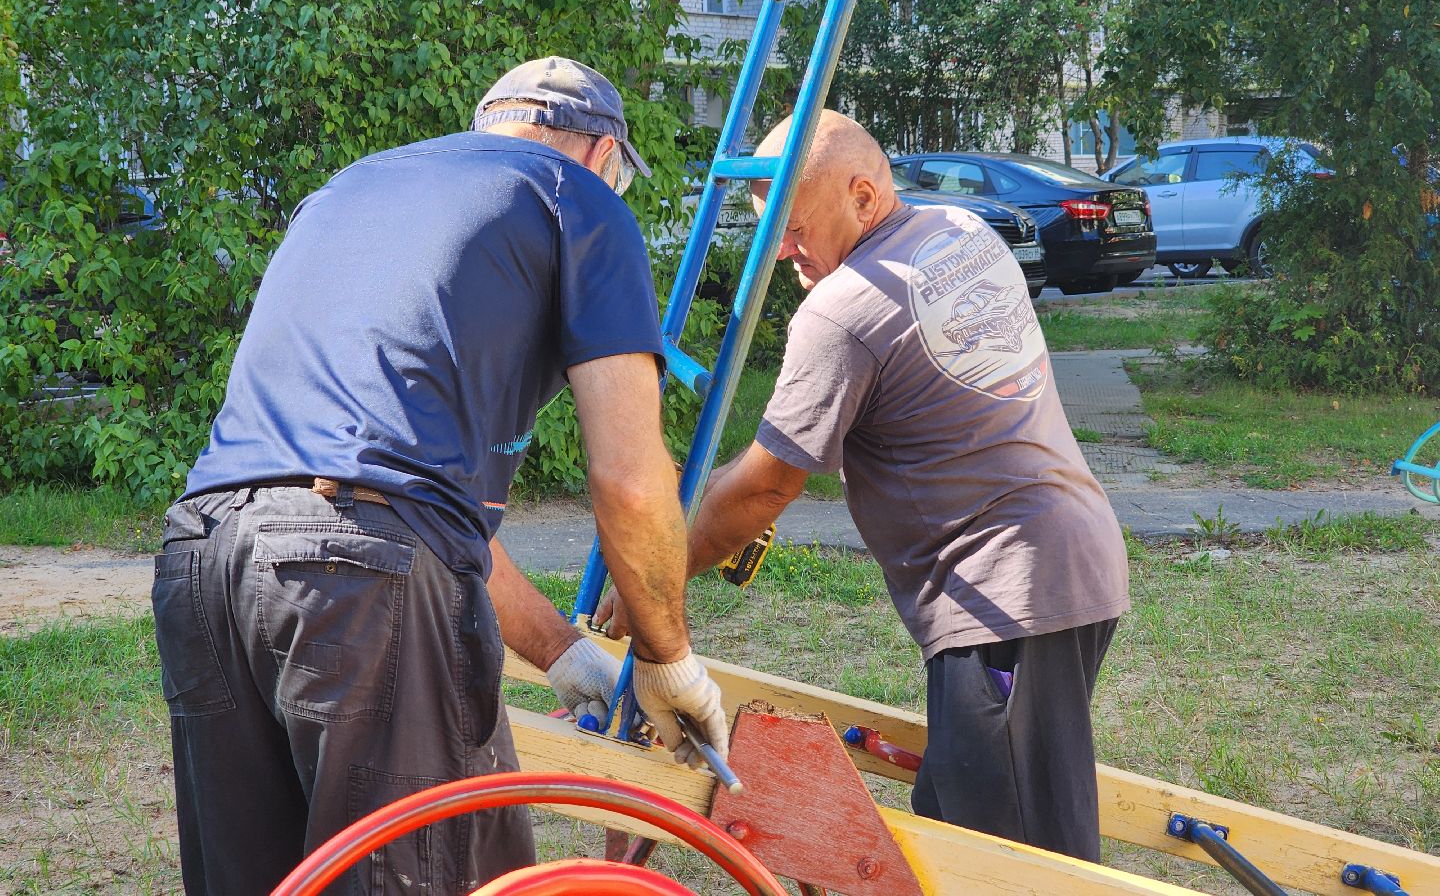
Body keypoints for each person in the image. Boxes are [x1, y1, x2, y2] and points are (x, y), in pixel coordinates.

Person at [152, 56, 727, 895]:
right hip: (354, 575)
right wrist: (669, 661)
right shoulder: (576, 199)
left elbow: (411, 512)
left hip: (203, 559)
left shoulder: (349, 192)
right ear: (603, 153)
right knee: (421, 873)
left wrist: (568, 657)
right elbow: (633, 481)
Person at [598, 109, 1130, 861]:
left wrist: (652, 577)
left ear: (863, 196)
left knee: (1019, 865)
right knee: (952, 821)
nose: (780, 249)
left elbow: (763, 488)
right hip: (1064, 563)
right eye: (768, 226)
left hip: (1007, 598)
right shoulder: (959, 231)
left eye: (795, 225)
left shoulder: (843, 311)